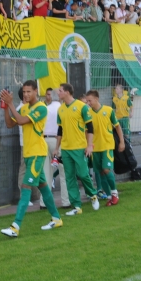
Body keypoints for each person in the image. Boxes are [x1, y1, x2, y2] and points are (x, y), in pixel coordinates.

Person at [0, 81, 63, 238]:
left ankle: (15, 226)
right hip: (28, 154)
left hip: (37, 153)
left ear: (36, 91)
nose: (26, 94)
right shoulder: (24, 108)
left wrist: (11, 104)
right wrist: (6, 107)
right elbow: (10, 124)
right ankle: (56, 218)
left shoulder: (41, 108)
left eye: (29, 91)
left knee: (26, 186)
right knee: (43, 186)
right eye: (24, 91)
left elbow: (20, 121)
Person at [53, 83, 100, 216]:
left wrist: (89, 145)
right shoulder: (60, 109)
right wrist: (57, 148)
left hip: (79, 147)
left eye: (60, 91)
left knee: (83, 174)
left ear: (67, 92)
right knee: (69, 178)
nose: (58, 93)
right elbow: (60, 129)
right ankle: (76, 206)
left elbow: (90, 128)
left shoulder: (82, 107)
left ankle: (92, 195)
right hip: (66, 149)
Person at [84, 90, 124, 206]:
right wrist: (88, 145)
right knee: (101, 172)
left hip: (107, 145)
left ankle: (114, 193)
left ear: (97, 99)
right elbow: (87, 131)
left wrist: (121, 142)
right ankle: (109, 196)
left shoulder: (108, 110)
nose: (88, 103)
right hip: (95, 148)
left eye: (90, 100)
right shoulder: (88, 113)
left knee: (106, 169)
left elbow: (117, 126)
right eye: (87, 101)